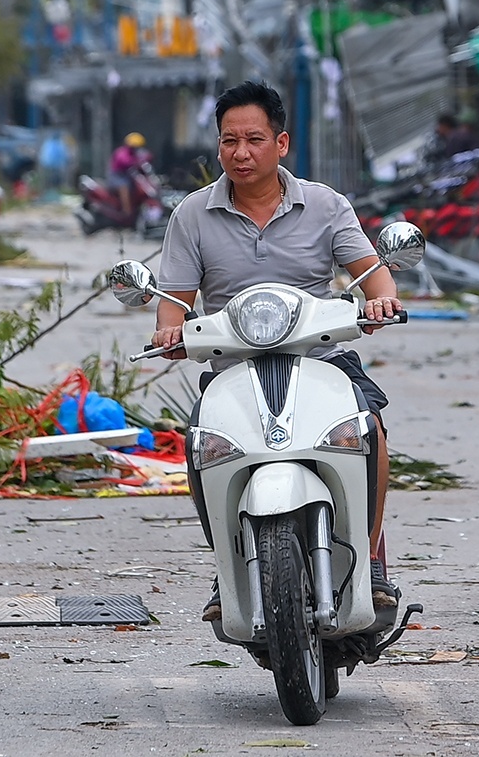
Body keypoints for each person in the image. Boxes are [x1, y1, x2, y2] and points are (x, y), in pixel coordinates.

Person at [151, 81, 403, 622]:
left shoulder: (326, 205)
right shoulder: (192, 215)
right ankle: (227, 568)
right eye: (229, 141)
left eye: (254, 140)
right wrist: (169, 333)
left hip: (322, 359)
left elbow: (375, 279)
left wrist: (382, 302)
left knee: (371, 431)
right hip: (231, 368)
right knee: (202, 446)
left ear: (282, 143)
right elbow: (172, 303)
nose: (241, 153)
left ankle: (373, 560)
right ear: (218, 147)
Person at [108, 132, 149, 220]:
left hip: (128, 176)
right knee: (124, 187)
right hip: (118, 176)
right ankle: (127, 212)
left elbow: (146, 158)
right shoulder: (121, 152)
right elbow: (123, 161)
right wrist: (135, 162)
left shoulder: (137, 154)